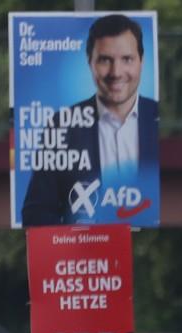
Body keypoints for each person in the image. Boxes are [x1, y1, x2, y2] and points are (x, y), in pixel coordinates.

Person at [21, 14, 159, 226]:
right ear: (90, 64)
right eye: (105, 60)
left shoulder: (159, 120)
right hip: (86, 253)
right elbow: (36, 213)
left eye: (127, 59)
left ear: (142, 61)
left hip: (158, 251)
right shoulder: (63, 125)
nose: (116, 72)